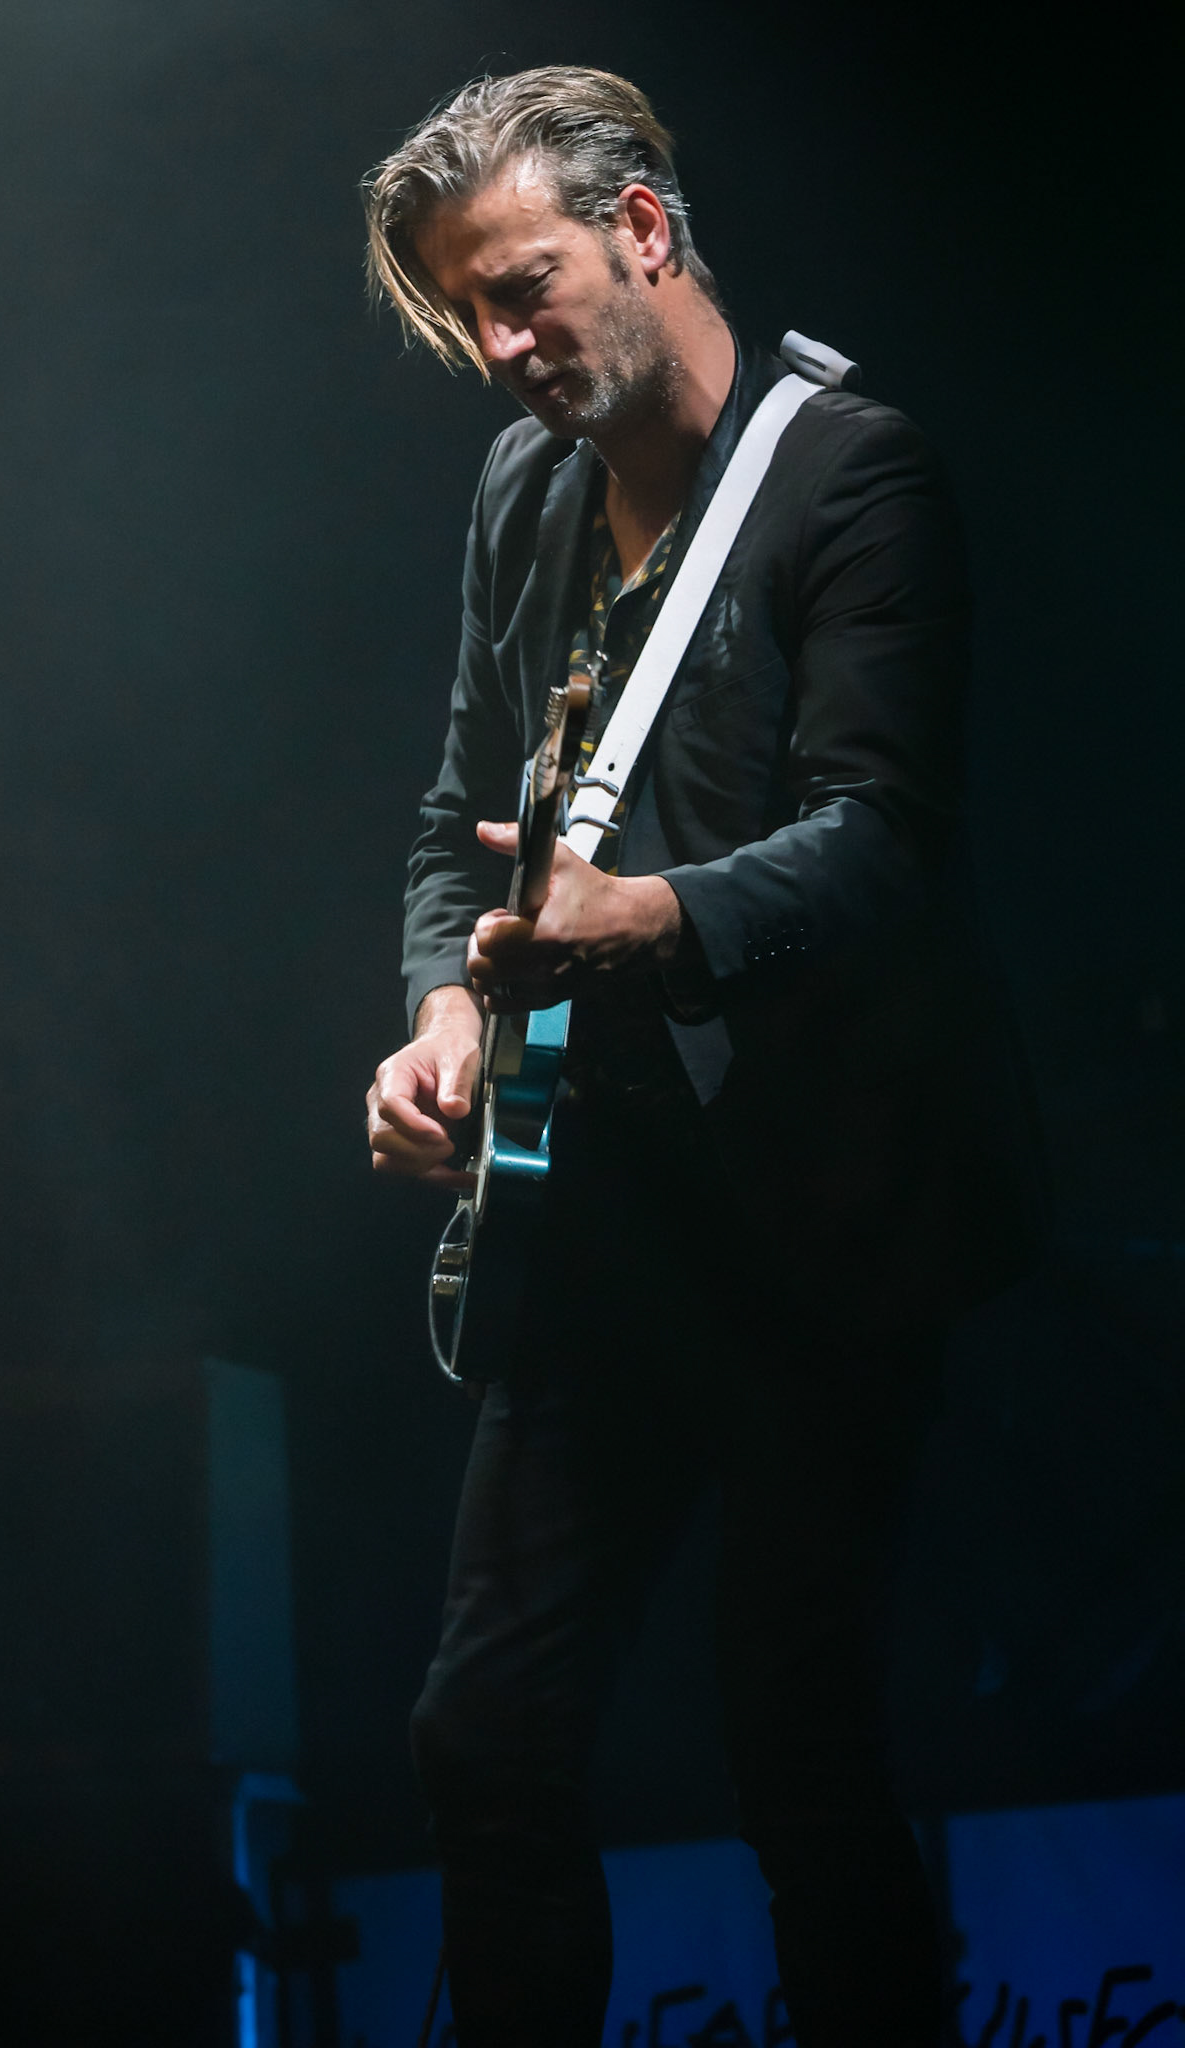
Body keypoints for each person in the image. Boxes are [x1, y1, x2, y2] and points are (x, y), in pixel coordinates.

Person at [362, 67, 1038, 2048]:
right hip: (603, 1222)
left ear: (641, 231)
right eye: (466, 316)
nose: (500, 350)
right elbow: (454, 825)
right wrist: (443, 1017)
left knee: (797, 1743)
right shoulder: (525, 495)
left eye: (520, 288)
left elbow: (881, 842)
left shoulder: (852, 477)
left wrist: (638, 920)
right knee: (480, 1732)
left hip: (829, 1223)